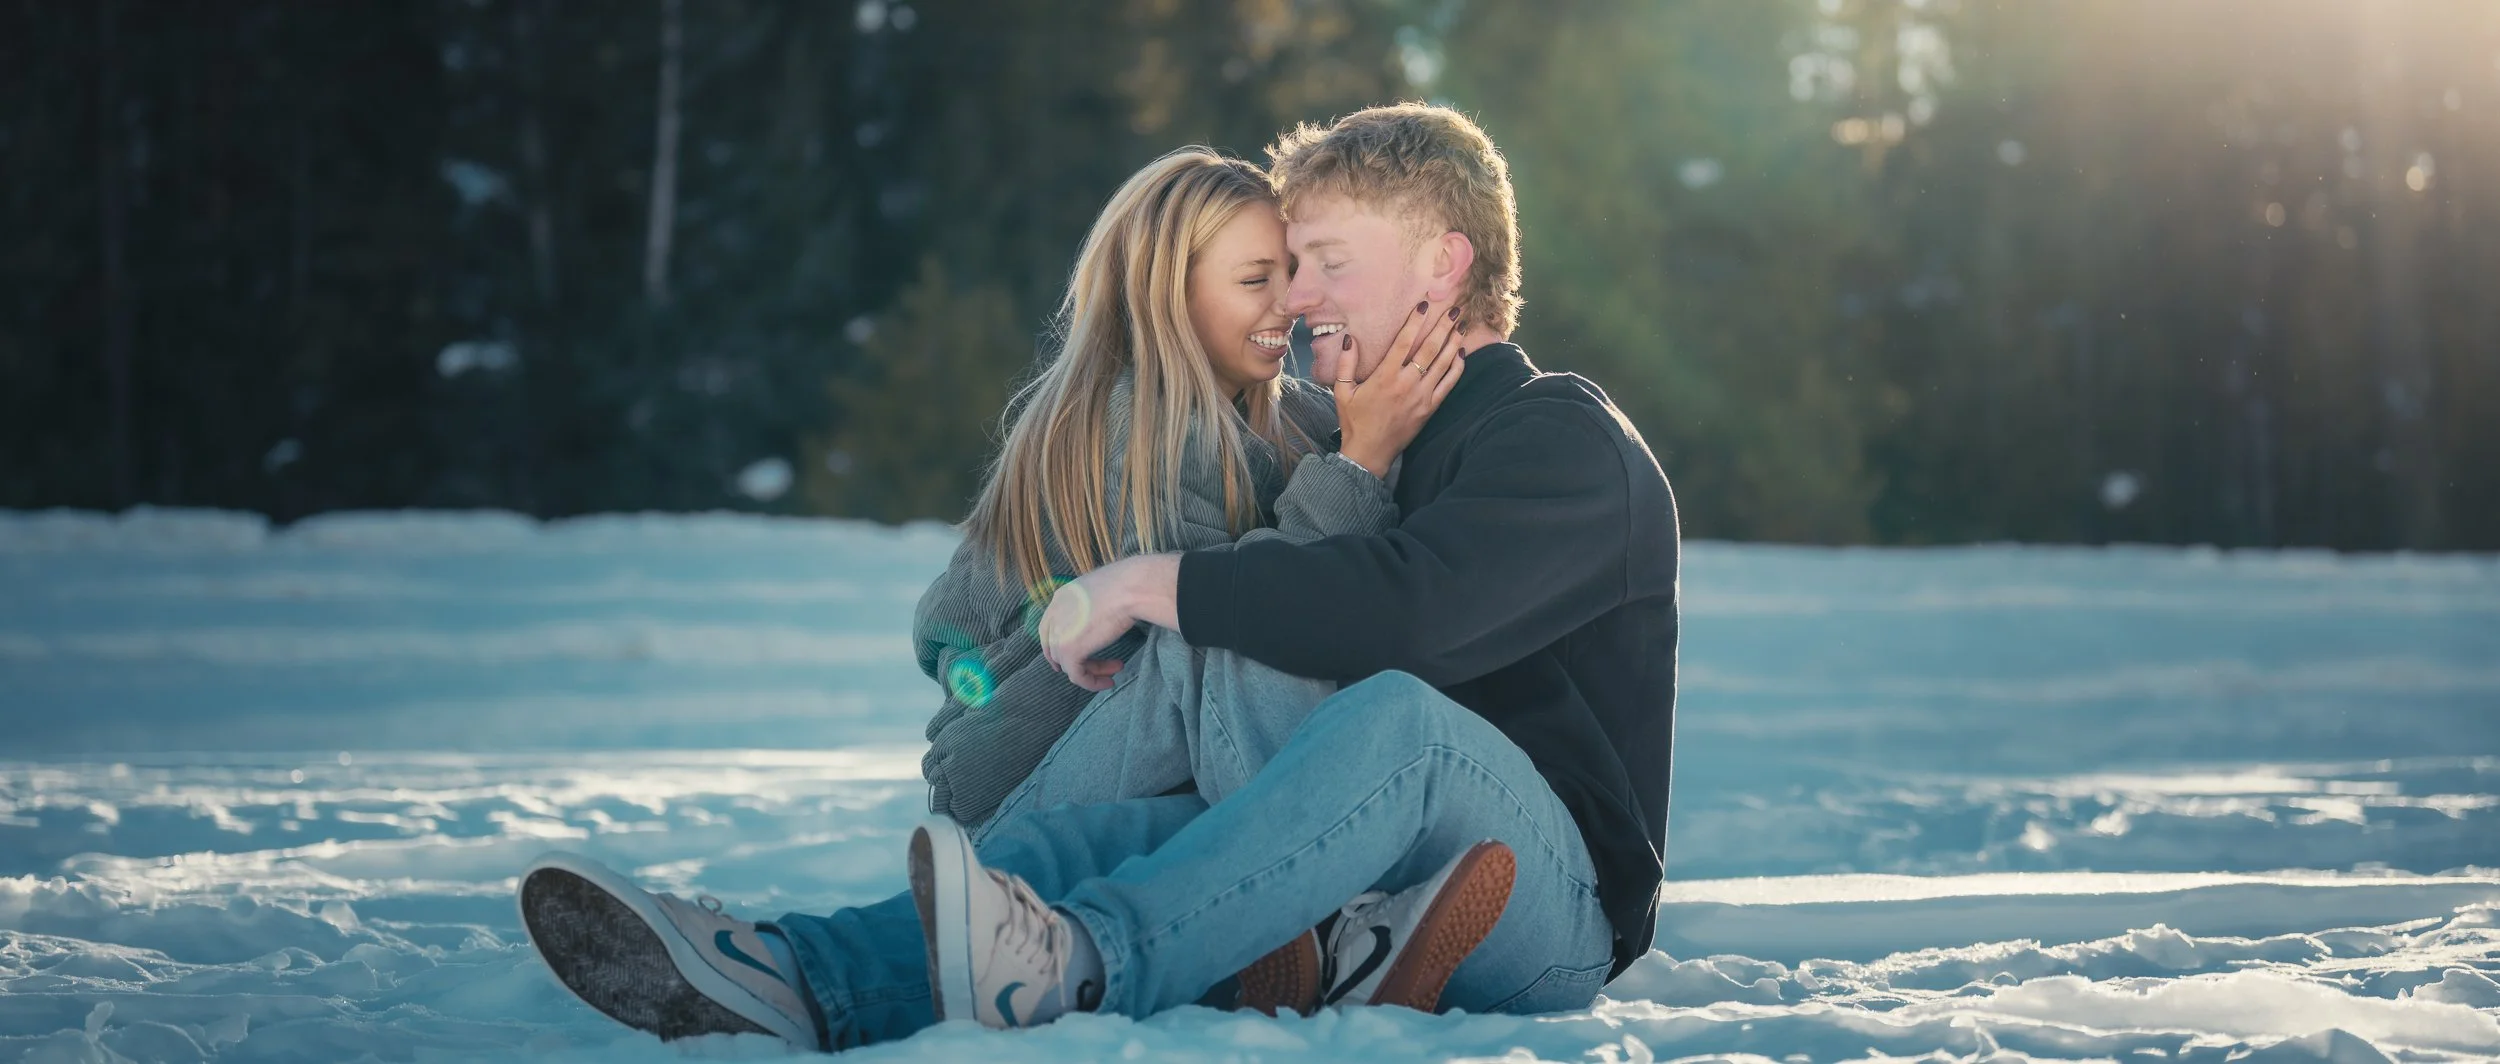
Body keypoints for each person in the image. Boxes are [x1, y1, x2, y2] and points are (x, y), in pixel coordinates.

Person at [515, 103, 1679, 1053]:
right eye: (1286, 268)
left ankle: (1085, 958)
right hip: (1374, 869)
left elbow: (1411, 612)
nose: (1300, 300)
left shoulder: (1558, 437)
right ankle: (807, 971)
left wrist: (1144, 580)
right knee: (1164, 758)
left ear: (1445, 262)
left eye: (1326, 261)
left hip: (1539, 902)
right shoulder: (1363, 440)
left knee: (1386, 710)